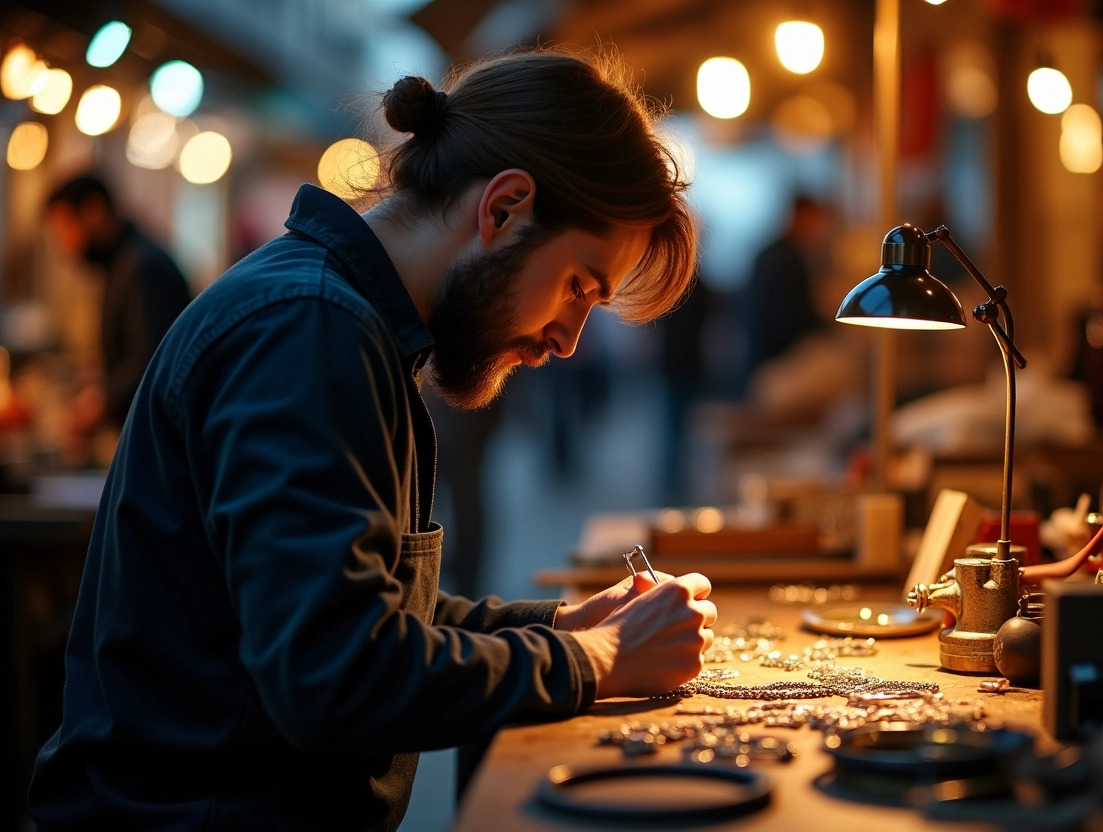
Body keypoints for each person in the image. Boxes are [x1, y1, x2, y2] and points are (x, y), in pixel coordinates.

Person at [27, 48, 714, 831]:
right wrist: (600, 661)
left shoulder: (349, 325)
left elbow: (368, 614)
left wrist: (564, 628)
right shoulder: (307, 331)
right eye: (578, 287)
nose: (567, 339)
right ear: (503, 209)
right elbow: (336, 675)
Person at [43, 175, 193, 443]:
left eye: (66, 226)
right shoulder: (125, 263)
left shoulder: (143, 267)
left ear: (94, 210)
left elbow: (150, 362)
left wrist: (100, 405)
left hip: (163, 437)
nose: (65, 246)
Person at [742, 193, 833, 376]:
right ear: (799, 218)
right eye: (814, 222)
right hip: (775, 360)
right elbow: (790, 316)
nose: (817, 230)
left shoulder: (776, 253)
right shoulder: (784, 259)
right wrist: (827, 327)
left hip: (763, 356)